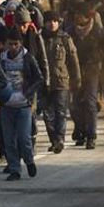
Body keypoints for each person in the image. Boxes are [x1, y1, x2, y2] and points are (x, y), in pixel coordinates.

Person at [0, 28, 43, 180]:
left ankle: (29, 161)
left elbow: (39, 78)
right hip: (7, 105)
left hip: (24, 105)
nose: (13, 47)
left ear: (20, 44)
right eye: (10, 44)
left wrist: (28, 94)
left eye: (16, 44)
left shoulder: (28, 58)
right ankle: (14, 169)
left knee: (24, 138)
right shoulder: (2, 59)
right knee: (9, 139)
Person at [66, 2, 104, 149]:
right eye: (76, 15)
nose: (77, 17)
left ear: (87, 17)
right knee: (75, 105)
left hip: (92, 70)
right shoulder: (70, 32)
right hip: (75, 71)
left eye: (80, 15)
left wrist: (97, 59)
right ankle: (81, 131)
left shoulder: (97, 31)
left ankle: (91, 136)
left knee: (90, 103)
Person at [40, 10, 81, 153]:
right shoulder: (39, 39)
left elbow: (73, 60)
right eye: (49, 21)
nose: (52, 24)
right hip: (44, 82)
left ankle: (60, 139)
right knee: (47, 114)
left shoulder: (64, 38)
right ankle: (53, 139)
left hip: (61, 81)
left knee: (60, 112)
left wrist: (76, 79)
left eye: (55, 21)